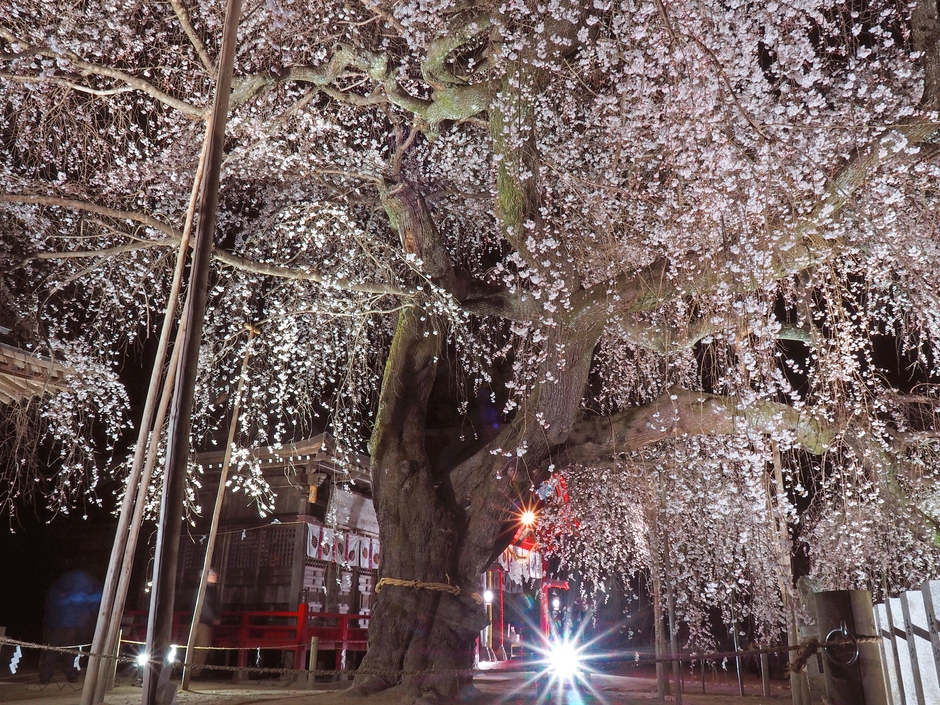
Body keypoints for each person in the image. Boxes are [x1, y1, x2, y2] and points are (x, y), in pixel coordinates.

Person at [39, 570, 101, 684]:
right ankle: (50, 674)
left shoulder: (84, 583)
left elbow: (96, 600)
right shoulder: (65, 584)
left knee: (69, 650)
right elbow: (55, 601)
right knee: (58, 649)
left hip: (72, 624)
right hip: (62, 624)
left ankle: (58, 674)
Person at [192, 567, 221, 675]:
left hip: (201, 621)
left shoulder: (208, 589)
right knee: (201, 648)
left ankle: (192, 671)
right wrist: (212, 618)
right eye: (212, 574)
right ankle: (194, 672)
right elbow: (205, 606)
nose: (215, 576)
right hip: (203, 622)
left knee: (198, 648)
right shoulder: (205, 589)